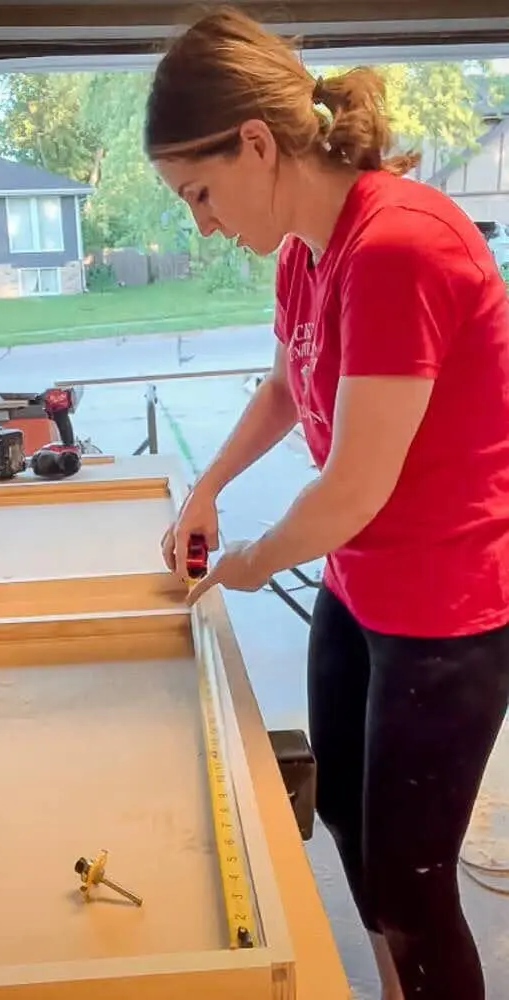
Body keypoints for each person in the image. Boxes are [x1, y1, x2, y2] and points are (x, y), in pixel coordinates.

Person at [144, 8, 509, 1000]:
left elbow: (351, 484)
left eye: (202, 192)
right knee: (349, 817)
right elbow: (282, 387)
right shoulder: (309, 252)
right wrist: (209, 487)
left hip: (447, 610)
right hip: (363, 582)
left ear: (257, 145)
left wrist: (256, 557)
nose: (203, 223)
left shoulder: (398, 247)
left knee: (415, 877)